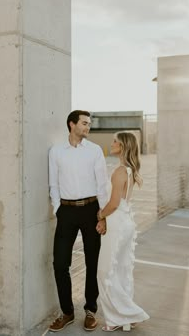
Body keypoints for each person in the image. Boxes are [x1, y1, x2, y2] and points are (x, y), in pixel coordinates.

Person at [48, 110, 108, 332]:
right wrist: (58, 210)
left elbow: (102, 184)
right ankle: (67, 312)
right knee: (60, 263)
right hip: (67, 211)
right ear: (71, 125)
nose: (88, 127)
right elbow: (53, 184)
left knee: (93, 261)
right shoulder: (56, 152)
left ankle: (91, 310)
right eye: (84, 123)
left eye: (89, 123)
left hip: (91, 209)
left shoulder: (94, 151)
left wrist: (102, 216)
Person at [96, 131, 150, 332]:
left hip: (117, 224)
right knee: (120, 271)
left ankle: (121, 316)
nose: (111, 144)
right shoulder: (129, 170)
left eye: (115, 142)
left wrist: (100, 216)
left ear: (123, 146)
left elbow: (113, 203)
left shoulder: (119, 171)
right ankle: (124, 315)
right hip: (125, 222)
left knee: (105, 272)